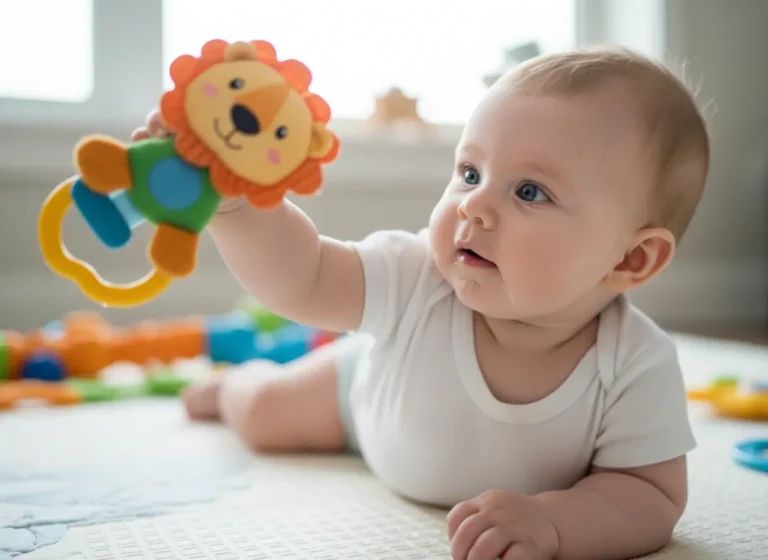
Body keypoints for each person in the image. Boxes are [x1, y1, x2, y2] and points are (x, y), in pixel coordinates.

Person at [133, 45, 709, 560]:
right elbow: (303, 277)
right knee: (262, 415)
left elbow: (650, 495)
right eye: (469, 171)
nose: (473, 206)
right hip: (360, 395)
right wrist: (237, 209)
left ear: (630, 260)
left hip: (404, 413)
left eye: (529, 191)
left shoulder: (635, 363)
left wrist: (554, 522)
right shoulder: (417, 276)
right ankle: (233, 386)